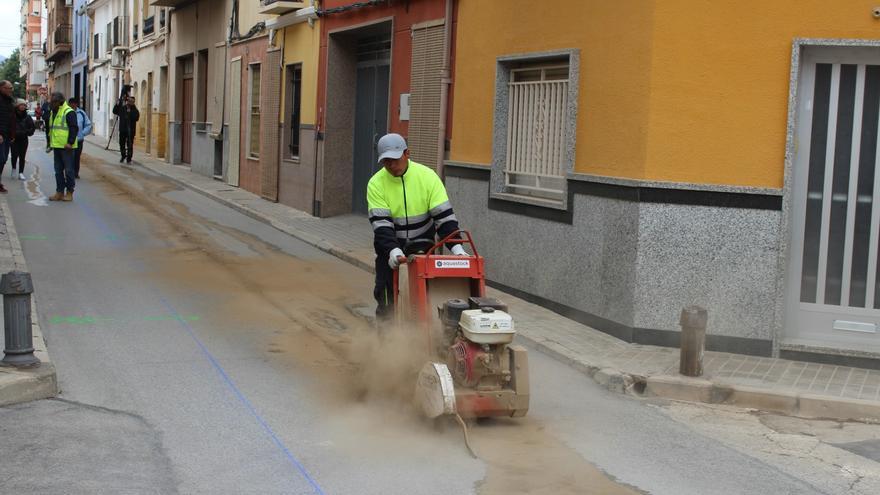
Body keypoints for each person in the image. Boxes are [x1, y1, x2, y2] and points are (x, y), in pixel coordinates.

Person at [367, 133, 468, 319]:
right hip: (389, 252)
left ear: (407, 153)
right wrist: (392, 250)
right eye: (386, 162)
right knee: (386, 299)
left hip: (424, 249)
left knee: (427, 300)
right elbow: (382, 226)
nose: (391, 166)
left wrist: (457, 249)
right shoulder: (376, 184)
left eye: (394, 160)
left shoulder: (428, 178)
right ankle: (386, 343)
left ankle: (426, 337)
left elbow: (444, 219)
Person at [46, 92, 78, 202]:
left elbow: (74, 128)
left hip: (67, 147)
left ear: (59, 101)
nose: (51, 104)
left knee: (69, 170)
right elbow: (51, 129)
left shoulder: (68, 112)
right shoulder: (53, 112)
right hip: (57, 146)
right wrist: (49, 143)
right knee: (58, 170)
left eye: (53, 102)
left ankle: (69, 192)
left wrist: (70, 142)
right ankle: (59, 192)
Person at [11, 99, 35, 181]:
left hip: (24, 139)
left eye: (24, 105)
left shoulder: (28, 117)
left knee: (22, 156)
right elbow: (9, 126)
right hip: (14, 139)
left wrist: (27, 132)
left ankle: (21, 173)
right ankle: (13, 168)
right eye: (21, 105)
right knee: (14, 155)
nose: (23, 106)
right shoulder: (12, 115)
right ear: (17, 106)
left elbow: (32, 127)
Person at [68, 97, 92, 179]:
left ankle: (75, 172)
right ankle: (68, 172)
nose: (72, 105)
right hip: (68, 140)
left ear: (76, 104)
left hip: (78, 140)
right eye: (70, 104)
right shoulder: (66, 113)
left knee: (77, 157)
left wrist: (82, 133)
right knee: (69, 157)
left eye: (73, 104)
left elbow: (88, 125)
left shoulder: (81, 113)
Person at [0, 80, 16, 193]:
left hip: (7, 135)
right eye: (9, 88)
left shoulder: (9, 101)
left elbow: (11, 119)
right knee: (1, 159)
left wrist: (12, 134)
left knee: (4, 159)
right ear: (2, 88)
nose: (11, 90)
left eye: (11, 88)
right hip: (0, 135)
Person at [112, 96, 139, 164]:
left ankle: (129, 159)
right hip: (123, 129)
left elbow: (136, 118)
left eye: (132, 102)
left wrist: (130, 113)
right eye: (129, 101)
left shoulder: (135, 110)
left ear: (133, 102)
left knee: (130, 145)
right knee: (122, 143)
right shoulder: (123, 108)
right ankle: (123, 155)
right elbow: (115, 111)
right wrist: (117, 104)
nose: (130, 103)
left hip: (131, 130)